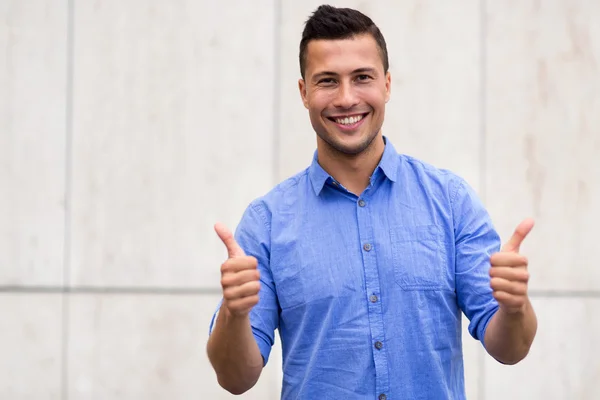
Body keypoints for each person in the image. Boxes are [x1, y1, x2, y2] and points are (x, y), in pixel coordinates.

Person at [206, 4, 537, 399]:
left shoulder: (450, 202)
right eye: (327, 81)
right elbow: (235, 379)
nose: (347, 98)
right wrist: (234, 314)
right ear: (304, 92)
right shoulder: (267, 221)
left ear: (387, 85)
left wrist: (515, 308)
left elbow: (510, 349)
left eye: (362, 77)